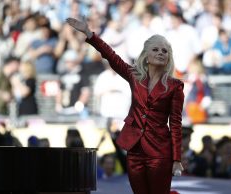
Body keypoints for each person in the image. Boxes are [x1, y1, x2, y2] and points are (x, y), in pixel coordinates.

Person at [67, 17, 184, 194]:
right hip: (134, 150)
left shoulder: (175, 86)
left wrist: (177, 158)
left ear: (169, 58)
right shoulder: (135, 77)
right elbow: (111, 57)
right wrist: (89, 34)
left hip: (160, 152)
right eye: (155, 49)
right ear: (146, 56)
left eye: (165, 51)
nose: (161, 53)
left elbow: (175, 124)